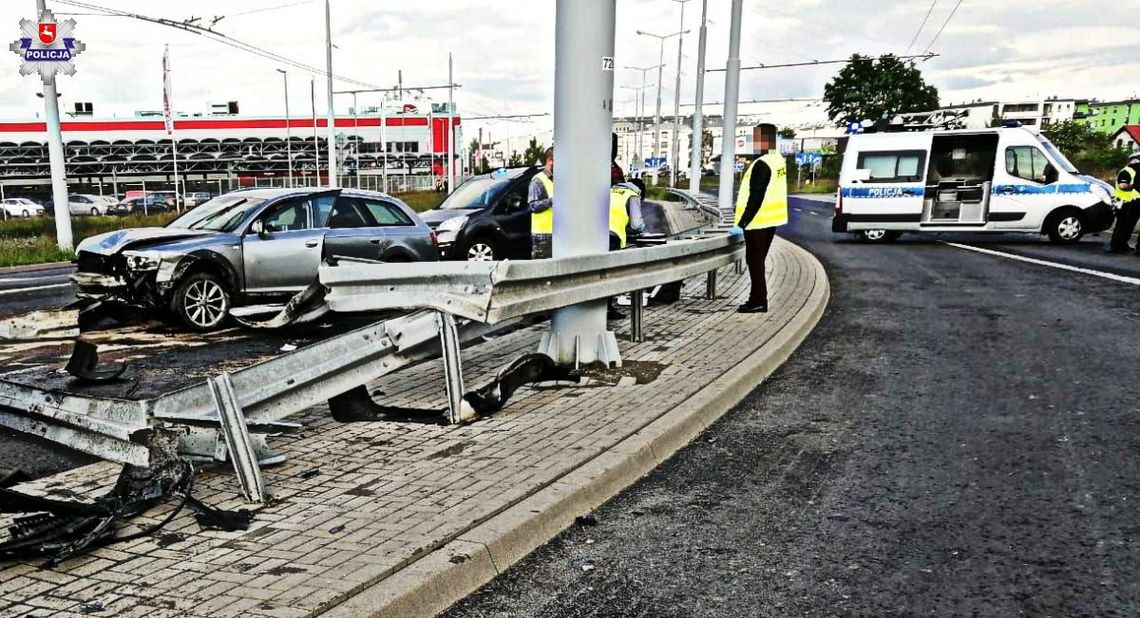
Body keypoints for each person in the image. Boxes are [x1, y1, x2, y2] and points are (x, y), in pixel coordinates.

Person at [733, 150, 788, 314]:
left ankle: (758, 301)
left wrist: (743, 222)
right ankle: (755, 298)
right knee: (759, 261)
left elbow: (756, 196)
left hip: (757, 221)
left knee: (754, 261)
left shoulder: (761, 164)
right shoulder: (777, 160)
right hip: (772, 219)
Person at [1108, 152, 1140, 254]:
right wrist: (1134, 186)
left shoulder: (1135, 172)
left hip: (1133, 202)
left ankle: (1121, 245)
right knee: (1123, 226)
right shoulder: (1127, 171)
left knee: (1127, 226)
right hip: (1125, 203)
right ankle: (1117, 246)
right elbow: (1123, 186)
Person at [528, 147, 555, 259]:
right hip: (542, 236)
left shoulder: (558, 179)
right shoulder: (538, 180)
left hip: (558, 234)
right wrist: (552, 201)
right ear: (549, 161)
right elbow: (533, 206)